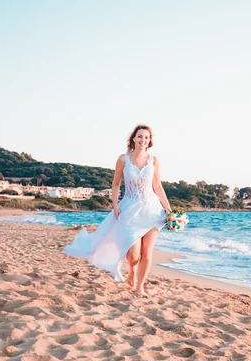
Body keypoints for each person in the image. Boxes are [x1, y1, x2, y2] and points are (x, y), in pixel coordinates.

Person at [64, 125, 172, 295]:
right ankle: (132, 270)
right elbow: (115, 184)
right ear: (134, 138)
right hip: (129, 208)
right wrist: (115, 205)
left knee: (147, 252)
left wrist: (168, 209)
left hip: (151, 210)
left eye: (147, 137)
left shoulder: (154, 161)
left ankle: (139, 287)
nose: (143, 140)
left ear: (150, 140)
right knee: (133, 255)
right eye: (140, 136)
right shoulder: (124, 159)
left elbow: (157, 186)